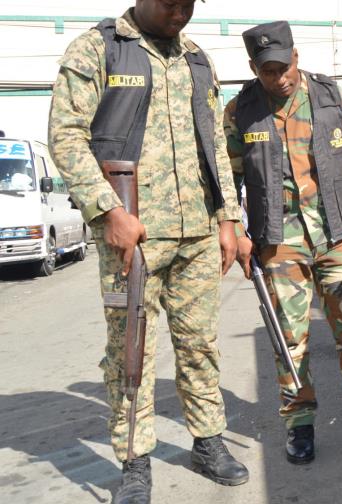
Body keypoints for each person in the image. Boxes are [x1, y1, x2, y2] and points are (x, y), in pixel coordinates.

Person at [48, 1, 249, 502]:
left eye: (189, 3)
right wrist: (107, 210)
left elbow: (214, 146)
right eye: (170, 2)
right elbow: (66, 136)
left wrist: (228, 217)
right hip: (132, 234)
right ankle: (134, 461)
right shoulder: (98, 49)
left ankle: (207, 440)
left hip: (198, 233)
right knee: (130, 351)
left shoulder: (197, 58)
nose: (180, 12)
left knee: (200, 344)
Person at [224, 21, 342, 465]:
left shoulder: (331, 98)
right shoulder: (241, 110)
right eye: (268, 71)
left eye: (283, 67)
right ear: (254, 68)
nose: (279, 78)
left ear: (296, 57)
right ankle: (299, 423)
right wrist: (235, 231)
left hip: (339, 235)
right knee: (290, 338)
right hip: (278, 240)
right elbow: (227, 180)